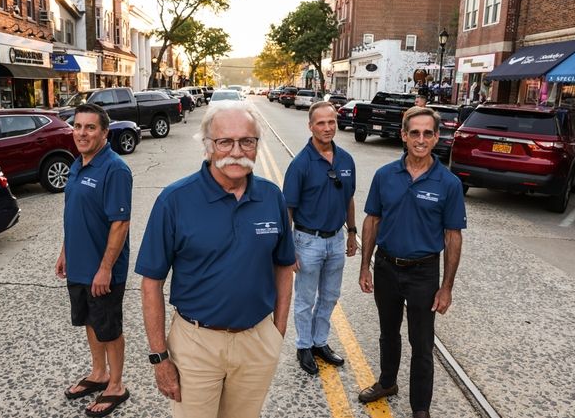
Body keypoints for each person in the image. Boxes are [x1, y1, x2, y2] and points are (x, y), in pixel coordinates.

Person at [136, 101, 296, 418]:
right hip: (196, 344)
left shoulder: (271, 196)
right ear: (209, 147)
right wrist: (159, 357)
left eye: (247, 141)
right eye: (225, 141)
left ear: (256, 146)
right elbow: (151, 283)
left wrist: (277, 331)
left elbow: (284, 264)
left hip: (257, 341)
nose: (236, 151)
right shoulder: (174, 200)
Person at [357, 106, 466, 418]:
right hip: (387, 267)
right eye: (414, 133)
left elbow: (453, 236)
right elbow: (372, 220)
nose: (421, 139)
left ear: (436, 137)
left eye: (427, 133)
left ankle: (420, 409)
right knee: (387, 332)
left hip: (423, 273)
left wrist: (446, 287)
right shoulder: (384, 176)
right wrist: (366, 266)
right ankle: (387, 382)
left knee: (422, 343)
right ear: (403, 135)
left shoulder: (448, 183)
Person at [55, 103, 132, 418]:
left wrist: (105, 269)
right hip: (79, 264)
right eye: (77, 126)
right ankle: (98, 373)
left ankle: (116, 385)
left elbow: (120, 224)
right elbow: (75, 215)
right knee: (90, 320)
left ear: (104, 132)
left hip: (103, 271)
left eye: (90, 127)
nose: (82, 133)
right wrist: (65, 252)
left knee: (109, 328)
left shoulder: (114, 169)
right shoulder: (77, 163)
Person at [282, 101, 357, 375]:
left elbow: (348, 197)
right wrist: (288, 248)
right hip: (307, 241)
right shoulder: (300, 164)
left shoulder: (346, 159)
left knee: (330, 296)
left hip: (336, 239)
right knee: (305, 299)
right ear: (311, 126)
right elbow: (288, 208)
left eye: (331, 122)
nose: (327, 128)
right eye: (321, 123)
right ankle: (303, 346)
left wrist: (351, 232)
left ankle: (319, 342)